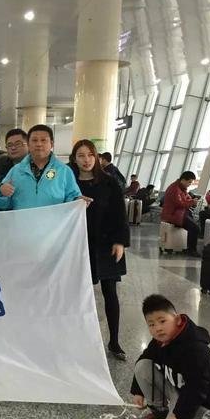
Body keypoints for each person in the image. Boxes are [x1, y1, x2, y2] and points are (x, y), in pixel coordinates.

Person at [129, 294, 210, 419]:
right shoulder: (161, 341)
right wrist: (138, 391)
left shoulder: (194, 349)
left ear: (176, 319)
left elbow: (197, 387)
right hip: (184, 390)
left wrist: (181, 418)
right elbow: (146, 357)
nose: (157, 328)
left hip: (208, 403)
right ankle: (161, 414)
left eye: (162, 321)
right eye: (151, 324)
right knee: (143, 365)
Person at [71, 140, 130, 360]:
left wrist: (120, 241)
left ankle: (114, 341)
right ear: (74, 159)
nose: (86, 160)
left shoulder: (109, 181)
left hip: (106, 244)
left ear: (96, 157)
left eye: (90, 155)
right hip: (78, 244)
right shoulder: (69, 182)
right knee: (78, 293)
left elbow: (119, 214)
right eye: (81, 155)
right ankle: (80, 339)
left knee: (110, 291)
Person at [0, 124, 83, 210]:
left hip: (54, 220)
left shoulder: (63, 170)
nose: (39, 144)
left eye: (43, 140)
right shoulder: (16, 171)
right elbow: (1, 204)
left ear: (51, 144)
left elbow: (72, 197)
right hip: (23, 220)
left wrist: (78, 200)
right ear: (28, 144)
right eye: (34, 140)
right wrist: (1, 192)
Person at [161, 171, 200, 256]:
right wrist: (192, 202)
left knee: (193, 226)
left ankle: (188, 248)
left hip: (179, 213)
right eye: (189, 182)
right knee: (195, 228)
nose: (190, 184)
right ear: (183, 180)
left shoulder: (181, 188)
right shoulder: (174, 189)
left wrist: (192, 201)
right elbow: (180, 203)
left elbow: (185, 199)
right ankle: (191, 250)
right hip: (173, 215)